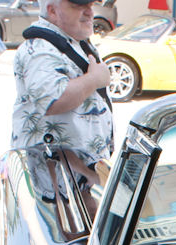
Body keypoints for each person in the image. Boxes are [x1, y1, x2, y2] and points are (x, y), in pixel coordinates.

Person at [11, 0, 114, 212]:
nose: (89, 12)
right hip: (56, 189)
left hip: (78, 181)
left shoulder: (70, 41)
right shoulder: (39, 48)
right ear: (52, 10)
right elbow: (53, 99)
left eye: (90, 5)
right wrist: (94, 79)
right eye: (79, 6)